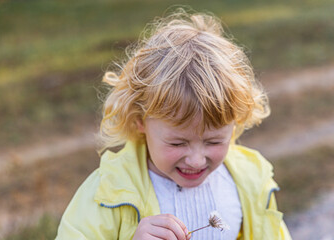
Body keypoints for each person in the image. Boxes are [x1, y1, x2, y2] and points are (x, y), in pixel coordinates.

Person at [55, 8, 292, 240]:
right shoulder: (108, 190)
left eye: (214, 141)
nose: (197, 160)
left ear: (235, 122)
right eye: (178, 143)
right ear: (140, 121)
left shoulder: (251, 181)